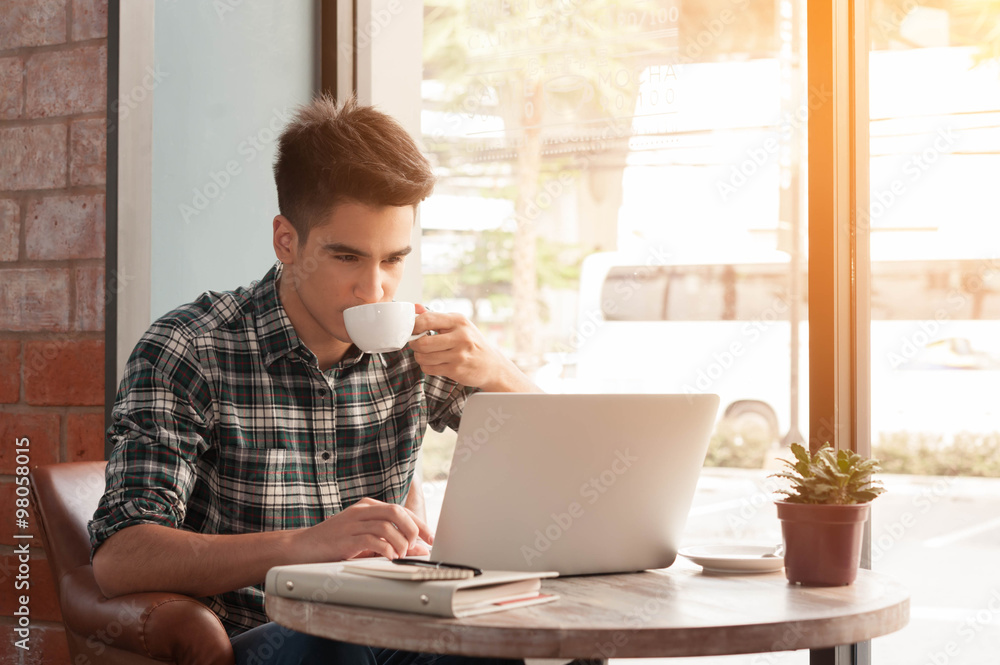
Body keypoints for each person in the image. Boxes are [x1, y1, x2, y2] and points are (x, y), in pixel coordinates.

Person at [88, 95, 539, 665]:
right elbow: (120, 556)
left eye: (393, 259)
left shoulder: (415, 351)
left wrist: (502, 373)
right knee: (333, 644)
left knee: (515, 641)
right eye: (347, 258)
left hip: (398, 628)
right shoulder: (191, 348)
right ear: (286, 241)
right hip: (267, 639)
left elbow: (573, 460)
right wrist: (304, 547)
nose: (374, 290)